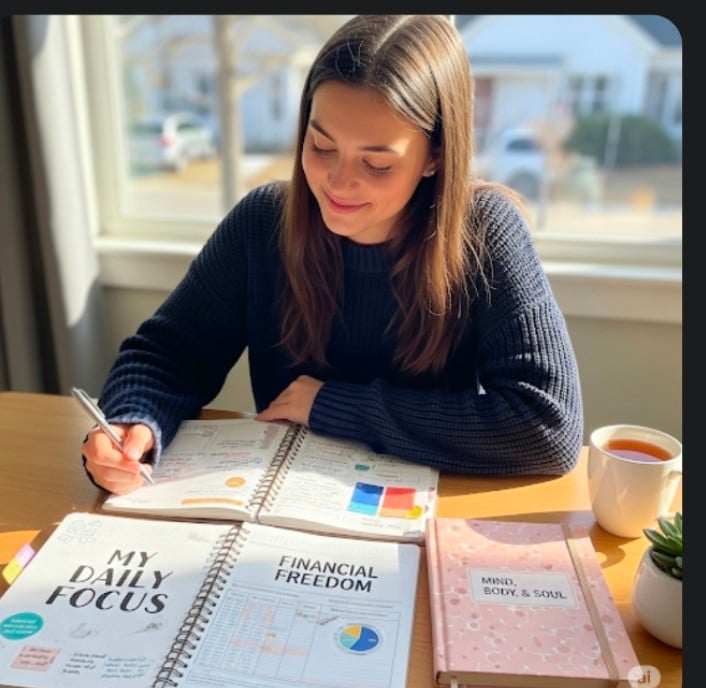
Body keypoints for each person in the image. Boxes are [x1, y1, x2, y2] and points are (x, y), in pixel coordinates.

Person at [82, 14, 583, 495]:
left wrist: (335, 407)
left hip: (421, 512)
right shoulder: (263, 222)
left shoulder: (486, 231)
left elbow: (547, 426)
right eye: (321, 146)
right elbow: (168, 356)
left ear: (434, 156)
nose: (339, 183)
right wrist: (131, 422)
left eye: (377, 164)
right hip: (281, 507)